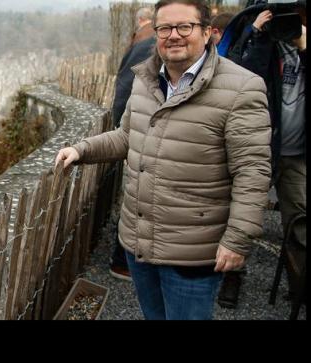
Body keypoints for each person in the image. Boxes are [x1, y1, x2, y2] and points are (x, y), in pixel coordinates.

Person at [55, 0, 272, 320]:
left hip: (192, 252)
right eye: (165, 28)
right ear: (154, 33)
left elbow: (251, 170)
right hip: (138, 242)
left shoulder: (241, 88)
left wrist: (238, 239)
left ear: (208, 32)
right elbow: (128, 136)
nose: (174, 35)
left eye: (185, 27)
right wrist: (82, 150)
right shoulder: (146, 79)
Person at [218, 2, 306, 308]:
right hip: (257, 148)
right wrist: (257, 33)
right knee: (239, 212)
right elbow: (239, 76)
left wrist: (304, 48)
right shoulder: (261, 41)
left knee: (299, 221)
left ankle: (300, 286)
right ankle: (232, 276)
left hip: (296, 153)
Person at [108, 34, 157, 282]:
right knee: (138, 197)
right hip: (144, 146)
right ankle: (124, 260)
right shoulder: (145, 53)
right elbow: (125, 88)